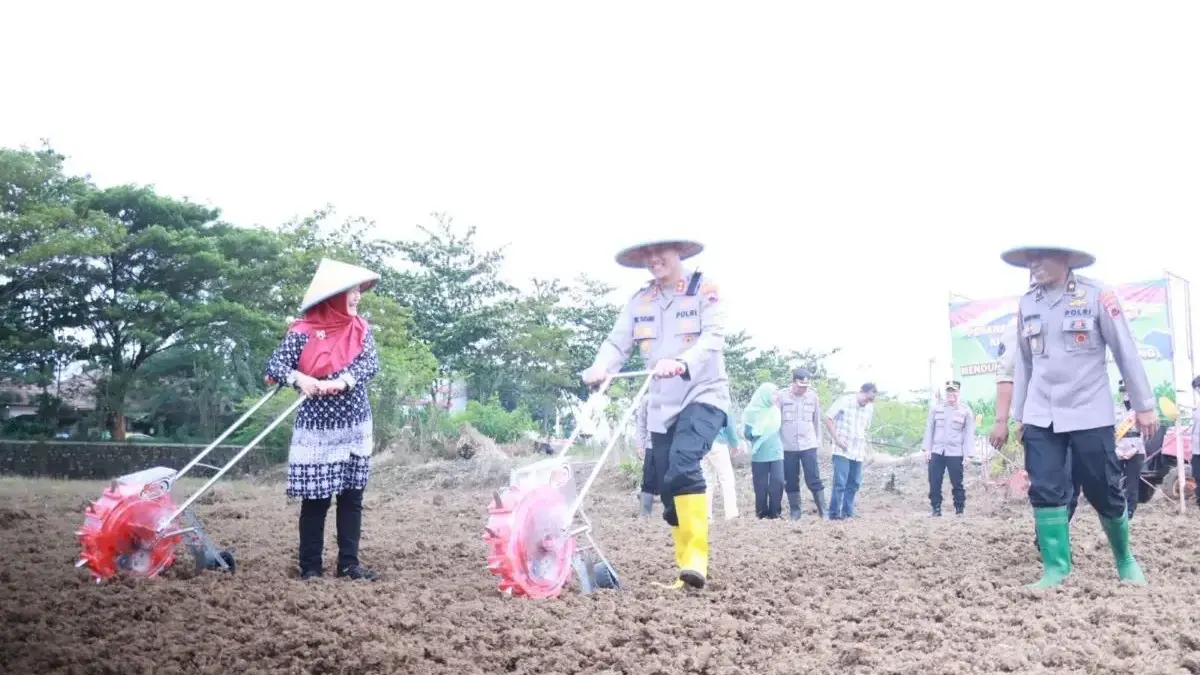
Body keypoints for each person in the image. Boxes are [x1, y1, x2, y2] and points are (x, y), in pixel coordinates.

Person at [581, 237, 731, 590]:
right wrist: (599, 367)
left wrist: (681, 362)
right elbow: (618, 343)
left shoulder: (704, 290)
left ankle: (697, 560)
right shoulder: (640, 301)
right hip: (662, 405)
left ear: (678, 252)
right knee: (668, 488)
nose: (652, 259)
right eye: (645, 255)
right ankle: (687, 574)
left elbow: (713, 338)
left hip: (703, 393)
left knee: (683, 463)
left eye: (658, 252)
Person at [1006, 243, 1157, 588]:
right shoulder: (1027, 302)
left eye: (1041, 257)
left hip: (1089, 410)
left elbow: (1125, 351)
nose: (1034, 265)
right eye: (1030, 259)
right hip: (1041, 413)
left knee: (1103, 488)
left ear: (1067, 260)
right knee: (1045, 488)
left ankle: (1124, 558)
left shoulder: (1097, 294)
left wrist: (1143, 404)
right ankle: (1056, 569)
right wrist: (1019, 415)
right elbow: (1025, 364)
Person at [263, 258, 382, 581]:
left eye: (358, 291)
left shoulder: (361, 330)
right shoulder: (302, 333)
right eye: (350, 292)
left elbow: (368, 366)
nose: (357, 297)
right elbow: (275, 366)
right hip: (317, 431)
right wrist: (300, 379)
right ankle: (311, 567)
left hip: (355, 425)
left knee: (351, 496)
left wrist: (340, 382)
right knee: (316, 499)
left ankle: (349, 564)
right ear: (332, 297)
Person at [823, 382, 877, 519]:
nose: (868, 401)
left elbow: (865, 430)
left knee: (854, 483)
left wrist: (869, 450)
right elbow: (828, 418)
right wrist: (837, 439)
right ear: (861, 391)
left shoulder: (869, 408)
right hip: (842, 449)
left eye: (871, 399)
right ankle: (834, 514)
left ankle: (847, 513)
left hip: (858, 451)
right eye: (867, 397)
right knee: (840, 482)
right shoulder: (845, 401)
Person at [777, 368, 826, 520]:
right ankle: (795, 511)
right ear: (793, 382)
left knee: (814, 478)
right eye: (800, 386)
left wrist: (818, 441)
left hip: (808, 445)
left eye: (806, 386)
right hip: (787, 445)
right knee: (791, 479)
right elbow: (776, 422)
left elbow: (816, 421)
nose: (803, 389)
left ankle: (823, 511)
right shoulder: (781, 396)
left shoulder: (813, 397)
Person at [923, 380, 975, 516]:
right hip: (937, 450)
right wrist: (927, 449)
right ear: (946, 392)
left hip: (955, 452)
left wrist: (968, 455)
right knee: (934, 480)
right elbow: (929, 429)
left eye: (954, 391)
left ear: (959, 392)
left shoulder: (966, 411)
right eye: (949, 391)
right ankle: (936, 508)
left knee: (957, 482)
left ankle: (959, 509)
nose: (951, 394)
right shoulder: (936, 408)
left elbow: (969, 433)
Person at [742, 383, 785, 518]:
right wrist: (756, 432)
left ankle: (775, 513)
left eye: (776, 393)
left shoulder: (775, 411)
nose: (776, 396)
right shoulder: (751, 412)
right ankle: (761, 513)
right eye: (773, 393)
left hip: (776, 452)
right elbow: (747, 433)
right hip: (759, 453)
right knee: (760, 485)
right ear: (764, 395)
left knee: (778, 481)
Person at [1113, 380, 1146, 519]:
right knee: (1113, 481)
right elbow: (1110, 431)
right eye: (1123, 391)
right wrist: (1116, 449)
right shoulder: (1115, 409)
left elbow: (1144, 432)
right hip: (1118, 449)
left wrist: (1134, 448)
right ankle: (1115, 507)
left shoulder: (1139, 411)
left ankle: (1130, 509)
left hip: (1136, 450)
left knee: (1133, 483)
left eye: (1128, 391)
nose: (1126, 394)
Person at [703, 417, 742, 521]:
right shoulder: (723, 400)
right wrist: (734, 444)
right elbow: (729, 422)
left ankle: (706, 516)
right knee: (727, 479)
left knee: (707, 481)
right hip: (718, 442)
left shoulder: (700, 400)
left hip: (702, 442)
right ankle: (731, 514)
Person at [633, 396, 661, 518]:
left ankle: (672, 514)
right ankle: (644, 514)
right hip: (652, 445)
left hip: (672, 445)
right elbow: (642, 423)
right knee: (648, 479)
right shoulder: (647, 399)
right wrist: (640, 445)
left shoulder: (676, 394)